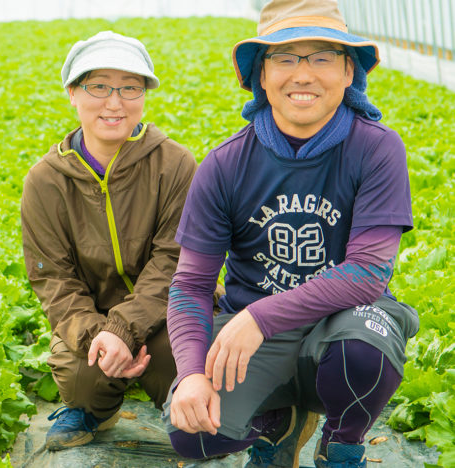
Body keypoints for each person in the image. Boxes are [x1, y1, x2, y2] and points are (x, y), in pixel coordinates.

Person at [162, 1, 419, 467]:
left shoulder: (377, 148)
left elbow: (367, 272)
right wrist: (191, 374)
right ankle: (277, 424)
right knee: (194, 436)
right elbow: (190, 286)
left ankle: (342, 442)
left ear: (348, 72)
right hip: (257, 340)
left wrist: (259, 316)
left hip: (344, 321)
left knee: (361, 353)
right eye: (285, 57)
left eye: (321, 57)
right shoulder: (224, 165)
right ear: (261, 75)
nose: (303, 74)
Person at [21, 30, 197, 451]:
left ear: (144, 93)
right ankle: (97, 406)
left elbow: (174, 260)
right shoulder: (45, 181)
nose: (114, 102)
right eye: (98, 86)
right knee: (81, 382)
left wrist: (125, 329)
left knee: (180, 366)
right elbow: (53, 280)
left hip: (169, 311)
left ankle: (177, 396)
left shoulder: (175, 164)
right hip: (91, 322)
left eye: (130, 87)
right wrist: (99, 334)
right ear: (72, 93)